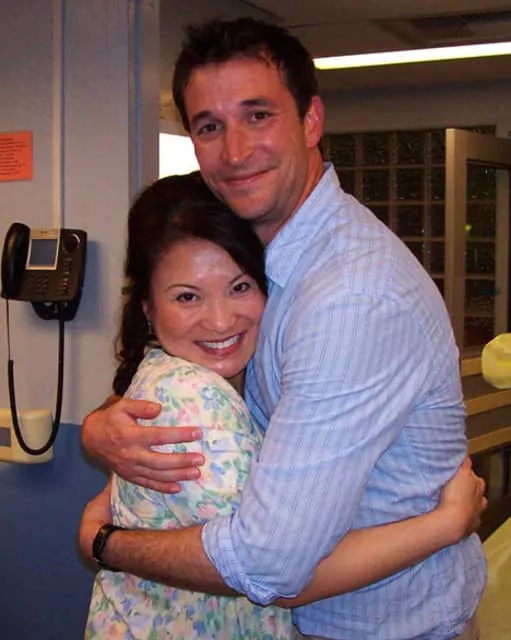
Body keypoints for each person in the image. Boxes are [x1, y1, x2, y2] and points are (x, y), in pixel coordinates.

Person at [80, 18, 487, 640]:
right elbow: (202, 368)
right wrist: (99, 427)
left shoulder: (350, 297)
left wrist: (104, 543)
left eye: (258, 115)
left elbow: (270, 562)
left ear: (311, 120)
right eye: (209, 127)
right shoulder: (256, 255)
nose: (235, 151)